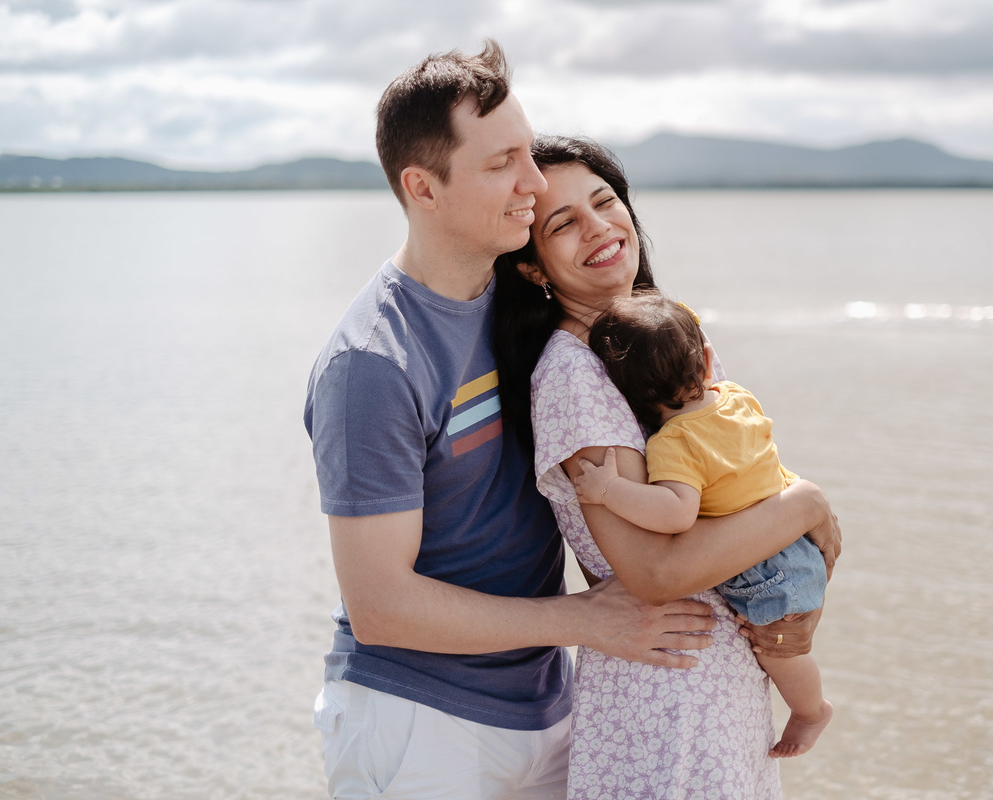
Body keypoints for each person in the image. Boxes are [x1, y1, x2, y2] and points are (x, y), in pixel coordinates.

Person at [303, 42, 734, 800]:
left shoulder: (525, 310)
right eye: (502, 163)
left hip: (548, 703)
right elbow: (379, 607)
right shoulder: (373, 362)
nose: (532, 184)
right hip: (420, 723)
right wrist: (585, 622)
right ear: (422, 187)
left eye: (528, 155)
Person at [493, 136, 841, 798]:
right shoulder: (574, 372)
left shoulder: (653, 336)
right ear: (534, 268)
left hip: (716, 681)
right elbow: (656, 571)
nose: (597, 226)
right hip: (669, 694)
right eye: (563, 223)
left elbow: (730, 478)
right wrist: (805, 505)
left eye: (604, 201)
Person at [576, 291, 834, 758]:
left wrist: (608, 491)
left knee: (781, 653)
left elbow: (677, 511)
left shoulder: (674, 442)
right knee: (779, 648)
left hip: (766, 569)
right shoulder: (737, 398)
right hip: (788, 540)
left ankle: (811, 711)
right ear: (708, 360)